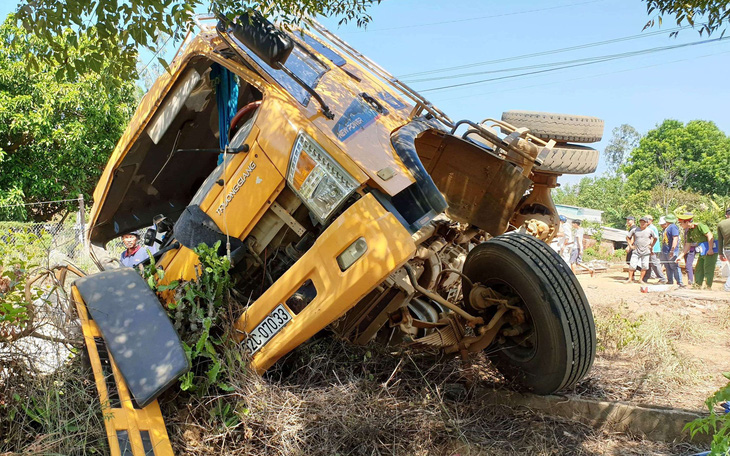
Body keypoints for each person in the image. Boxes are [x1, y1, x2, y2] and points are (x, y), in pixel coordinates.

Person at [677, 213, 718, 289]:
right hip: (703, 251)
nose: (680, 225)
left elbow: (710, 235)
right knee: (699, 268)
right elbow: (688, 245)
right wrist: (680, 256)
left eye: (681, 223)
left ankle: (708, 287)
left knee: (708, 268)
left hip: (710, 249)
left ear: (687, 222)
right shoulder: (689, 231)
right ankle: (697, 285)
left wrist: (710, 249)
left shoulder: (700, 226)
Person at [626, 216, 655, 283]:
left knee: (644, 266)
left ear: (647, 223)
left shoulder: (650, 231)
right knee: (632, 265)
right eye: (641, 222)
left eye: (644, 222)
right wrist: (630, 245)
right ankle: (630, 279)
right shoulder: (635, 230)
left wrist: (651, 245)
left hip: (646, 251)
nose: (642, 223)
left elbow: (655, 238)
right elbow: (628, 237)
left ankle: (640, 279)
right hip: (636, 250)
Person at [660, 215, 684, 287]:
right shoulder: (666, 228)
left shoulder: (673, 227)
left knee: (674, 266)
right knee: (667, 266)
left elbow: (675, 238)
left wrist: (672, 250)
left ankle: (679, 282)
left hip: (671, 250)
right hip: (665, 250)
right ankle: (670, 280)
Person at [644, 215, 667, 284]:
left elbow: (652, 239)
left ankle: (662, 278)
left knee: (655, 263)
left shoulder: (652, 228)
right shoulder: (648, 228)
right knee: (648, 263)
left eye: (646, 220)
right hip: (650, 248)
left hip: (653, 248)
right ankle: (645, 277)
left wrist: (651, 248)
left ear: (651, 220)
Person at [717, 208, 730, 292]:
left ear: (726, 215)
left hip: (727, 250)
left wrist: (720, 253)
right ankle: (727, 287)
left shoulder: (721, 224)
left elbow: (720, 240)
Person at [625, 216, 637, 280]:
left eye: (629, 220)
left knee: (631, 261)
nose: (627, 222)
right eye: (627, 220)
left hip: (632, 246)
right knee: (629, 261)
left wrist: (629, 246)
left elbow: (633, 238)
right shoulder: (631, 228)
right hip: (631, 246)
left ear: (633, 220)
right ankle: (632, 276)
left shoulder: (634, 228)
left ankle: (632, 276)